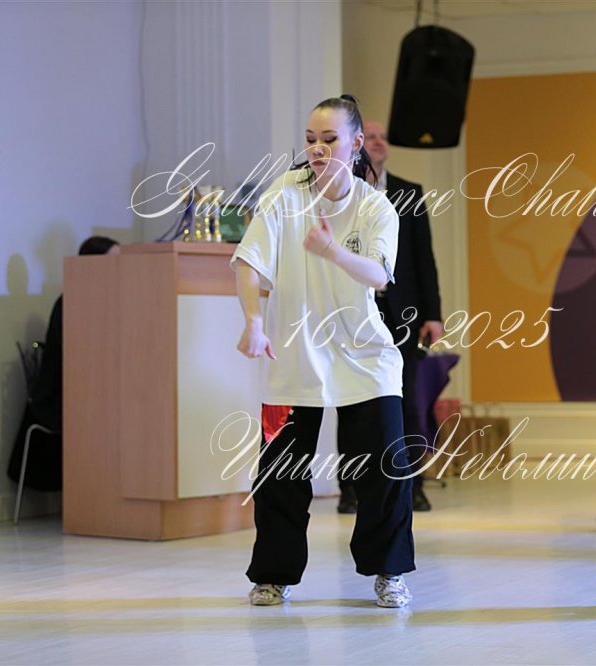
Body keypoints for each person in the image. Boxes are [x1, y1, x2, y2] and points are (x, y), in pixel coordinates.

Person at [232, 95, 416, 608]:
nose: (317, 148)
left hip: (365, 355)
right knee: (281, 473)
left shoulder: (375, 206)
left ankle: (389, 572)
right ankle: (273, 575)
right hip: (293, 354)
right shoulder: (284, 195)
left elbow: (379, 275)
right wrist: (253, 322)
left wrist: (333, 251)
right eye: (311, 139)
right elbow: (249, 262)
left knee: (384, 468)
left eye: (329, 140)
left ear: (356, 144)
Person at [336, 119, 444, 514]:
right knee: (351, 401)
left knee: (408, 401)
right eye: (372, 136)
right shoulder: (340, 190)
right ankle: (350, 489)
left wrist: (433, 314)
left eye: (384, 137)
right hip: (354, 310)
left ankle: (413, 486)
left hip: (402, 313)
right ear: (357, 144)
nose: (379, 142)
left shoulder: (408, 192)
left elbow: (424, 258)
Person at [7, 236, 120, 492]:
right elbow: (81, 358)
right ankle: (100, 497)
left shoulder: (110, 302)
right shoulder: (71, 302)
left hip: (91, 393)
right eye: (113, 263)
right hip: (60, 398)